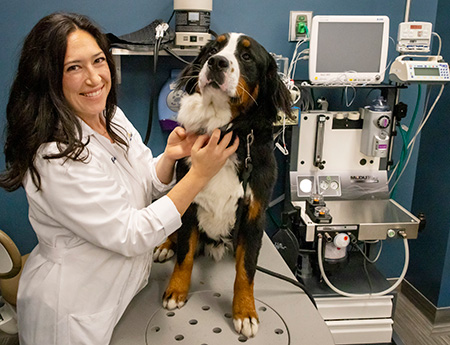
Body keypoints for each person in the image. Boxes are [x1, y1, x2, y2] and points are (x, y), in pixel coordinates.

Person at [0, 12, 238, 345]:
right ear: (48, 77)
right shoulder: (54, 155)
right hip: (72, 310)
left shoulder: (108, 115)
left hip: (120, 292)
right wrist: (199, 175)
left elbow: (144, 180)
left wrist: (169, 157)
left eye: (99, 60)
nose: (94, 78)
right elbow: (131, 233)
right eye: (74, 67)